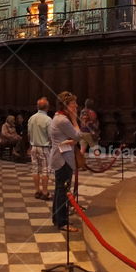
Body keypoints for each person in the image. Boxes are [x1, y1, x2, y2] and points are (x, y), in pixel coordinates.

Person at [49, 91, 81, 233]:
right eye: (74, 104)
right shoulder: (63, 120)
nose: (76, 107)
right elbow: (78, 136)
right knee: (63, 190)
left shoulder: (57, 117)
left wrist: (72, 141)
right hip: (63, 159)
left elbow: (71, 139)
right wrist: (74, 120)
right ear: (67, 106)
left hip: (60, 156)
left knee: (59, 189)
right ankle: (62, 222)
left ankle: (57, 218)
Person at [26, 98, 52, 200]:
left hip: (34, 147)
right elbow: (51, 135)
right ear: (47, 107)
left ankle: (37, 191)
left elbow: (28, 134)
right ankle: (45, 192)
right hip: (44, 147)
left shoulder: (31, 118)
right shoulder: (48, 119)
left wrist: (30, 145)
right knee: (45, 170)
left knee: (35, 169)